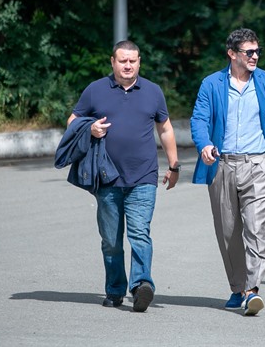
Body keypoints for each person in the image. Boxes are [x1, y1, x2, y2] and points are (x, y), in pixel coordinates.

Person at [66, 40, 180, 312]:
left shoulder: (152, 91)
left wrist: (174, 165)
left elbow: (165, 129)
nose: (128, 65)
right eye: (122, 61)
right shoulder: (95, 90)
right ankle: (115, 290)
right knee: (111, 241)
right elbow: (72, 121)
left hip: (144, 176)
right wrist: (89, 128)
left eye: (132, 61)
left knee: (140, 233)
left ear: (139, 62)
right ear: (113, 62)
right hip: (106, 178)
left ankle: (141, 286)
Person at [190, 28, 265, 316]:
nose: (255, 56)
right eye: (249, 52)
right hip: (222, 164)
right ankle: (238, 288)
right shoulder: (211, 84)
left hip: (258, 165)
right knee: (228, 231)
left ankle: (252, 291)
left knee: (256, 229)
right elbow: (199, 119)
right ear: (232, 54)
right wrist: (205, 145)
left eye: (257, 51)